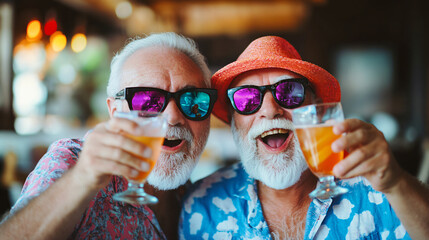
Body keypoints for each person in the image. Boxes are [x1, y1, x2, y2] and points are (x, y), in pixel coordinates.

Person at [180, 36, 429, 240]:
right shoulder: (204, 207)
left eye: (289, 91)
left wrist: (395, 182)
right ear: (234, 120)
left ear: (317, 109)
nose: (270, 110)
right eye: (247, 99)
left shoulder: (372, 190)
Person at [0, 32, 217, 239]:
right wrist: (82, 178)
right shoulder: (72, 161)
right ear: (114, 112)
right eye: (147, 100)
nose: (172, 117)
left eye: (192, 100)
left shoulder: (193, 196)